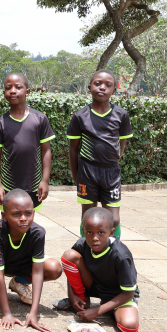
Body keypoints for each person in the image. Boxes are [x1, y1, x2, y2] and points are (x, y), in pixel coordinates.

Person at [0, 189, 62, 331]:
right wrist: (7, 314)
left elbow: (38, 273)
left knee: (54, 268)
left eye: (28, 213)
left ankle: (20, 282)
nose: (23, 218)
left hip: (21, 262)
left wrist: (33, 313)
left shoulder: (38, 233)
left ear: (33, 213)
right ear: (4, 216)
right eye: (16, 214)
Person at [67, 69, 132, 239]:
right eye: (97, 84)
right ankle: (85, 248)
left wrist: (114, 160)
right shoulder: (80, 116)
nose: (102, 87)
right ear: (89, 88)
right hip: (87, 172)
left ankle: (113, 249)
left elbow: (122, 144)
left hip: (111, 172)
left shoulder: (121, 115)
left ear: (114, 90)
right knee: (88, 218)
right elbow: (73, 149)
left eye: (108, 85)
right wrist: (76, 176)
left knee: (114, 219)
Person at [55, 207, 140, 332]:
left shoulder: (121, 256)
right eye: (89, 232)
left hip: (118, 294)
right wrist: (72, 295)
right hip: (93, 285)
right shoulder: (81, 244)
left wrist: (97, 311)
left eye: (101, 233)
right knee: (69, 255)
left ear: (111, 232)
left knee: (129, 326)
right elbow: (72, 269)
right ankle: (82, 300)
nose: (95, 238)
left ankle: (112, 308)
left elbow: (128, 293)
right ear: (83, 231)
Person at [0, 73, 55, 213]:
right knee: (7, 219)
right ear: (4, 93)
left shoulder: (40, 119)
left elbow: (46, 151)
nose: (13, 91)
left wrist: (45, 181)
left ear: (27, 92)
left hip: (33, 184)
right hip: (7, 185)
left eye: (18, 87)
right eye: (8, 88)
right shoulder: (0, 123)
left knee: (28, 219)